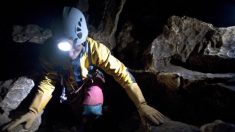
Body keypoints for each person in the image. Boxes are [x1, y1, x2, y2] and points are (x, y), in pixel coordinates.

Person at [2, 6, 167, 132]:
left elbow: (122, 73)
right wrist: (34, 110)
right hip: (70, 87)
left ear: (83, 37)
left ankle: (93, 122)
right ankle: (79, 123)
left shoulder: (96, 50)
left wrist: (141, 104)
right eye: (65, 46)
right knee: (77, 113)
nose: (71, 53)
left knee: (92, 107)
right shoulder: (50, 52)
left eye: (75, 46)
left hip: (91, 82)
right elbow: (48, 81)